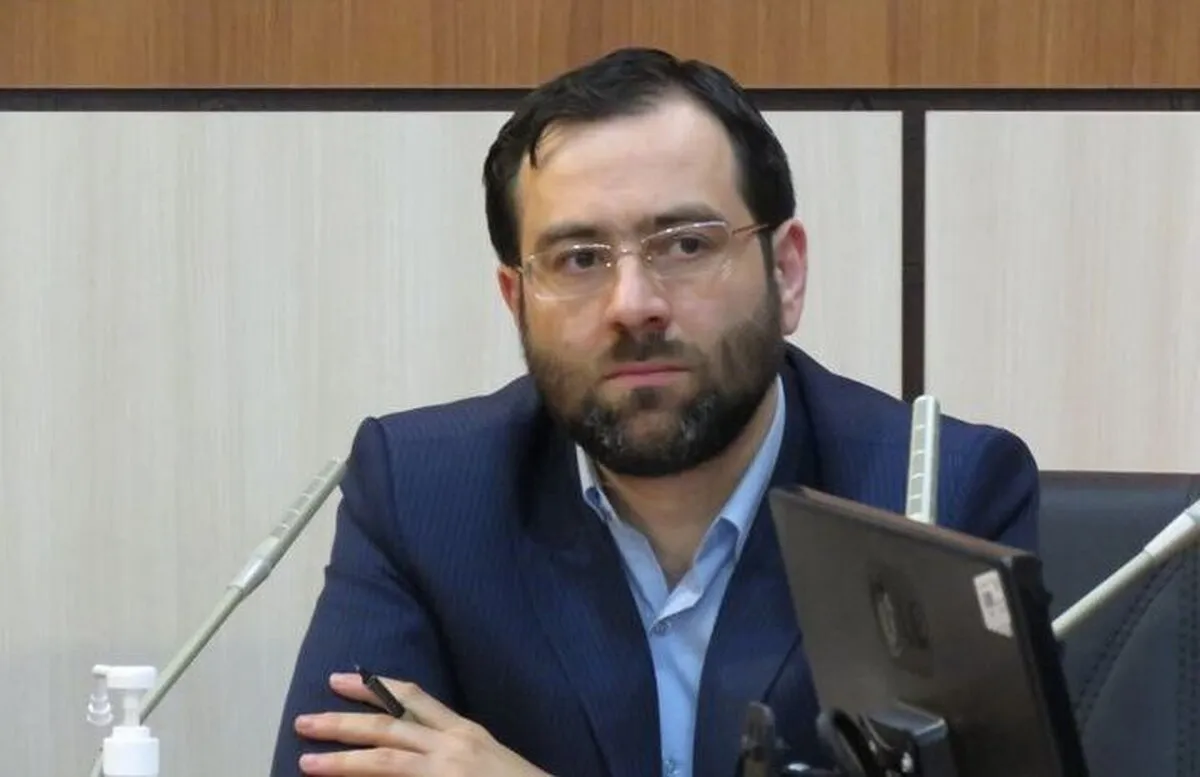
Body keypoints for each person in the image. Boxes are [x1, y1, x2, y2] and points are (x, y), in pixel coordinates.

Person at [270, 46, 1039, 777]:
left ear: (786, 272)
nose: (633, 304)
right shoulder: (422, 494)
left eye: (685, 245)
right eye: (579, 259)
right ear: (517, 301)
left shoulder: (936, 497)